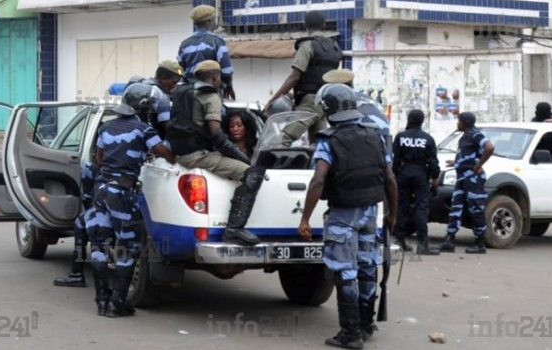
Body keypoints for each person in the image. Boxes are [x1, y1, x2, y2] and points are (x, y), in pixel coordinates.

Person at [298, 84, 398, 350]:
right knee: (367, 266)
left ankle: (350, 334)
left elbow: (318, 180)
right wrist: (392, 214)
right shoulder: (376, 135)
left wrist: (305, 218)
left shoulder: (329, 140)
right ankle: (366, 325)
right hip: (371, 212)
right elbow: (390, 178)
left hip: (344, 214)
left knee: (345, 271)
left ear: (329, 110)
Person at [87, 83, 175, 317]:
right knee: (129, 247)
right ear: (143, 106)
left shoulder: (106, 127)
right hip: (122, 194)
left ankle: (102, 301)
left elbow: (98, 159)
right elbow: (163, 152)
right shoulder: (143, 129)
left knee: (99, 245)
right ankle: (117, 303)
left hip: (101, 191)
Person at [166, 60, 265, 246]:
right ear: (215, 76)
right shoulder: (210, 97)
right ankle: (234, 228)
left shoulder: (184, 92)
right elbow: (218, 137)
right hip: (198, 155)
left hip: (182, 152)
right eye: (220, 77)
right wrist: (245, 160)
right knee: (253, 173)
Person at [264, 10, 342, 145]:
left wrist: (273, 99)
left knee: (282, 140)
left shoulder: (308, 45)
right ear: (324, 25)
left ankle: (274, 166)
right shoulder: (334, 48)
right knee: (319, 144)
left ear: (306, 26)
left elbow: (294, 77)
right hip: (325, 102)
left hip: (310, 103)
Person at [439, 112, 494, 254]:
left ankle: (480, 243)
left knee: (476, 208)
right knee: (456, 207)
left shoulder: (475, 134)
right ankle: (449, 240)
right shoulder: (465, 136)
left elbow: (489, 147)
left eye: (459, 121)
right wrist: (457, 162)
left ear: (465, 122)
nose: (457, 123)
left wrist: (478, 165)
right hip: (462, 177)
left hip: (472, 178)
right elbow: (468, 155)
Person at [392, 110, 441, 255]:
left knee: (402, 207)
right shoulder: (428, 138)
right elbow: (433, 163)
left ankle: (400, 241)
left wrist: (394, 177)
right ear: (421, 121)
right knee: (421, 208)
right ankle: (422, 245)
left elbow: (395, 160)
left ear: (409, 119)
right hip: (420, 174)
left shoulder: (400, 137)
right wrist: (435, 181)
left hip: (403, 173)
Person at [52, 162, 98, 287]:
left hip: (105, 212)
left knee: (81, 224)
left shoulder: (92, 168)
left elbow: (87, 198)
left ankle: (77, 274)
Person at [178, 5, 235, 100]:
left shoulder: (185, 44)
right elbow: (226, 70)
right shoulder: (217, 41)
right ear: (209, 22)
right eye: (214, 19)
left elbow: (180, 70)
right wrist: (229, 86)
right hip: (211, 91)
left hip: (190, 92)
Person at [133, 61, 184, 138]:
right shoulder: (161, 94)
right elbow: (166, 126)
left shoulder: (142, 86)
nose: (175, 86)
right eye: (174, 82)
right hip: (151, 140)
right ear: (162, 78)